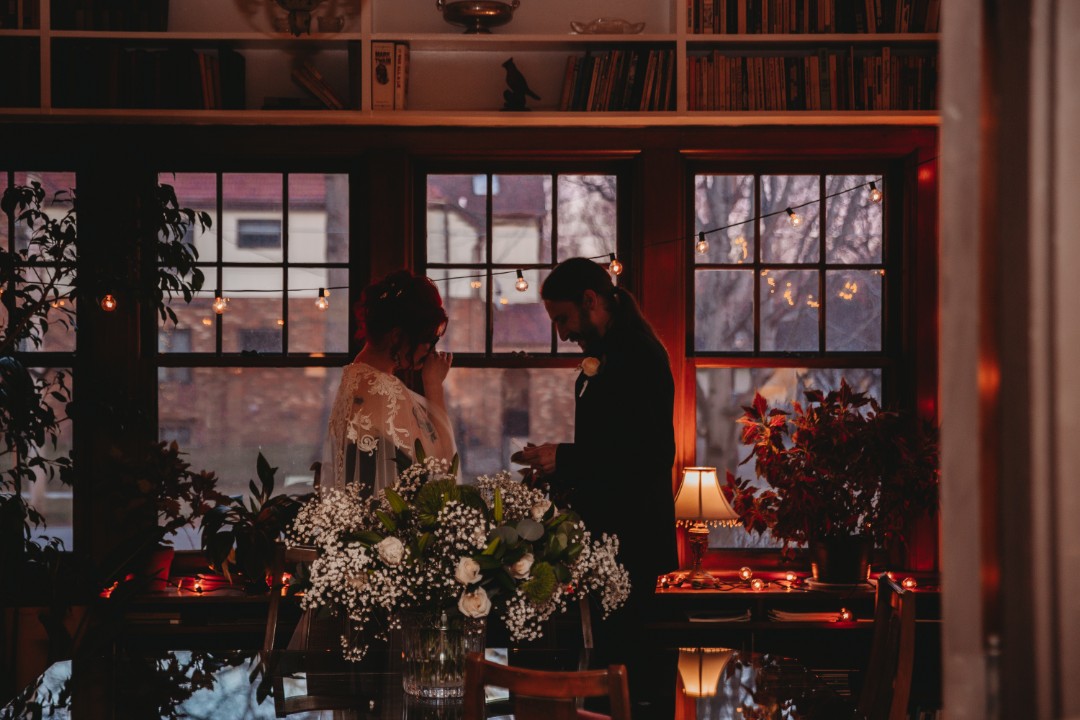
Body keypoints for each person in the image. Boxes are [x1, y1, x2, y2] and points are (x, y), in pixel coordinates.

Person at [515, 257, 678, 655]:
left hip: (631, 543)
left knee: (624, 665)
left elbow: (652, 454)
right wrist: (552, 466)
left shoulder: (637, 355)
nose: (562, 332)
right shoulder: (610, 352)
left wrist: (564, 459)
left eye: (563, 318)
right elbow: (609, 443)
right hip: (610, 539)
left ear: (590, 299)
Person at [325, 269, 456, 494]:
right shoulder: (384, 391)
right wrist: (434, 384)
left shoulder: (355, 377)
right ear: (397, 337)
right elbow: (442, 466)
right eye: (427, 339)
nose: (429, 349)